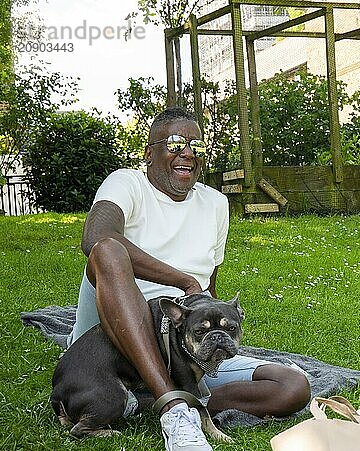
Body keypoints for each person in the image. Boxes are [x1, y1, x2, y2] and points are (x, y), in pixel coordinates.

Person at [66, 106, 310, 451]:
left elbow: (210, 290)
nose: (188, 153)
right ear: (149, 153)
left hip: (185, 345)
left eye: (196, 146)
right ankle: (173, 407)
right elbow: (95, 238)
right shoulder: (127, 182)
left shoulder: (214, 203)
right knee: (108, 250)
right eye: (175, 142)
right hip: (117, 340)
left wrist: (213, 338)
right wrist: (182, 281)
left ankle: (164, 401)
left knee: (292, 385)